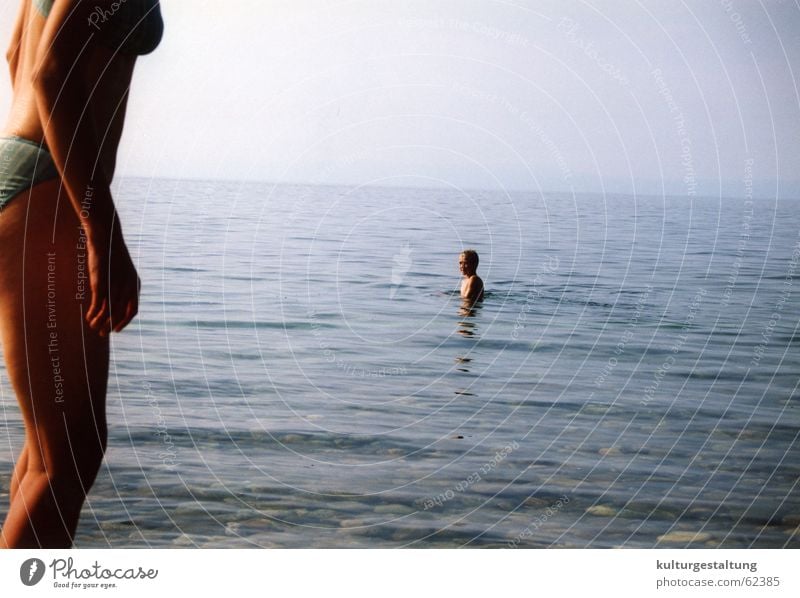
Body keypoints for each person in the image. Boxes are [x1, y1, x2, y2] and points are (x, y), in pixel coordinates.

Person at [0, 0, 163, 548]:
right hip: (49, 191)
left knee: (53, 449)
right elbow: (48, 71)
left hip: (29, 176)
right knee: (68, 453)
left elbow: (17, 53)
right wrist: (101, 229)